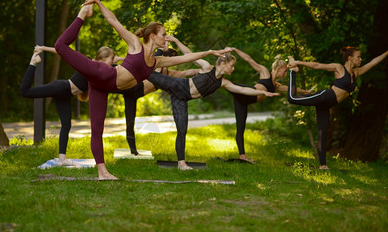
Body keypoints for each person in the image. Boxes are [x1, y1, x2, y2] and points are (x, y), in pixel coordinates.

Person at [54, 0, 229, 180]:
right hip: (101, 74)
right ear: (152, 35)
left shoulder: (156, 61)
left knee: (97, 129)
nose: (165, 37)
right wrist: (97, 3)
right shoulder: (135, 45)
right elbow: (113, 21)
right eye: (163, 34)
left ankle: (102, 172)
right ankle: (82, 14)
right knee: (60, 46)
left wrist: (210, 52)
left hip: (103, 88)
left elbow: (186, 58)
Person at [147, 37, 281, 170]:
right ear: (223, 64)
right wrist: (176, 41)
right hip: (178, 86)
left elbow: (242, 90)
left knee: (182, 131)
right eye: (232, 65)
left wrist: (263, 93)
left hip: (181, 99)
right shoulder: (207, 67)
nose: (233, 69)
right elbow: (189, 55)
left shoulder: (223, 83)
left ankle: (181, 164)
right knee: (147, 72)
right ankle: (154, 52)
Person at [287, 43, 388, 169]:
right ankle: (293, 71)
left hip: (327, 104)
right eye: (358, 57)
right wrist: (297, 62)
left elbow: (374, 62)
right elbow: (317, 65)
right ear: (350, 58)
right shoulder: (339, 68)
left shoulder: (356, 73)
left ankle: (323, 165)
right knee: (292, 98)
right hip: (325, 96)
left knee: (322, 133)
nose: (361, 59)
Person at [20, 45, 120, 166]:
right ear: (103, 58)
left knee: (66, 124)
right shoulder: (87, 62)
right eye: (112, 58)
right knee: (25, 92)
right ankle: (33, 63)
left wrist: (123, 58)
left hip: (66, 95)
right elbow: (63, 52)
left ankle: (62, 159)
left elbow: (122, 66)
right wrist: (43, 48)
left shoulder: (101, 69)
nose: (113, 61)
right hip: (60, 87)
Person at [226, 48, 315, 163]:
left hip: (243, 101)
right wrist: (234, 50)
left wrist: (306, 92)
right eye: (284, 71)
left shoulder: (275, 85)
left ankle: (242, 156)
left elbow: (291, 89)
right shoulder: (264, 72)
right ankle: (210, 75)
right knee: (224, 83)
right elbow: (249, 59)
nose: (285, 74)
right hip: (245, 94)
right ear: (278, 69)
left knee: (241, 128)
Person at [113, 49, 200, 155]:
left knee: (130, 123)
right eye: (170, 59)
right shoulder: (156, 66)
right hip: (133, 88)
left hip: (132, 97)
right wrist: (162, 48)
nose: (172, 62)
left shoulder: (169, 74)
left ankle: (133, 152)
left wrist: (203, 71)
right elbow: (150, 58)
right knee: (110, 82)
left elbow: (186, 72)